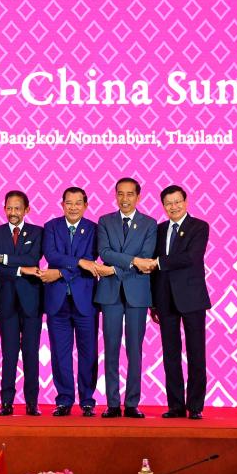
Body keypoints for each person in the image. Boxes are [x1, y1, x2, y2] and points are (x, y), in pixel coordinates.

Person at [147, 185, 211, 420]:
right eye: (168, 203)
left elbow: (191, 257)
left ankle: (195, 406)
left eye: (177, 202)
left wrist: (158, 262)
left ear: (186, 202)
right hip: (164, 300)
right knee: (170, 354)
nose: (173, 207)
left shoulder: (199, 227)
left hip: (192, 299)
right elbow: (154, 272)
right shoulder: (159, 229)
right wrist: (152, 302)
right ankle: (175, 405)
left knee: (196, 353)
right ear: (163, 206)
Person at [95, 177, 157, 419]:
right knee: (110, 349)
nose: (124, 199)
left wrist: (115, 268)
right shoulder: (105, 221)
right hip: (110, 293)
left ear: (138, 197)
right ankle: (112, 403)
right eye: (120, 194)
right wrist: (130, 262)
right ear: (115, 195)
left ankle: (132, 403)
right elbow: (104, 252)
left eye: (130, 194)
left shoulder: (149, 224)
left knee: (134, 350)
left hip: (137, 293)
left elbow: (146, 257)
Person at [40, 187, 100, 417]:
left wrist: (61, 273)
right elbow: (52, 256)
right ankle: (64, 399)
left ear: (85, 205)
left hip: (85, 300)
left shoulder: (94, 229)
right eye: (69, 203)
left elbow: (91, 260)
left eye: (78, 203)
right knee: (60, 354)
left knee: (89, 353)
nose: (73, 207)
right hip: (57, 301)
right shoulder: (52, 227)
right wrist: (80, 264)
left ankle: (87, 400)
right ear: (62, 204)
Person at [0, 190, 44, 416]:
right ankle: (6, 402)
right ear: (4, 209)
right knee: (9, 354)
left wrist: (4, 259)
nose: (13, 213)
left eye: (17, 208)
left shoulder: (38, 232)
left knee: (31, 353)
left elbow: (33, 259)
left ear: (27, 210)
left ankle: (32, 402)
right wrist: (21, 269)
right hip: (7, 301)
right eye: (9, 208)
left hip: (31, 301)